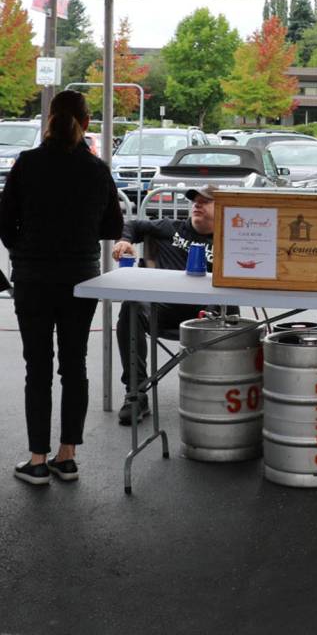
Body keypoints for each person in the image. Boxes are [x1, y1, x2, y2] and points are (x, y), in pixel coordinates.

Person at [0, 90, 123, 485]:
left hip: (32, 278)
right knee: (75, 365)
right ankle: (66, 456)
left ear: (49, 120)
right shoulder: (96, 169)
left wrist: (22, 248)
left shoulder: (27, 164)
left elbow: (4, 222)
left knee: (37, 367)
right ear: (86, 123)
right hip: (79, 278)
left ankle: (36, 459)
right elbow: (113, 228)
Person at [112, 184, 217, 424]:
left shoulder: (232, 239)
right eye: (195, 201)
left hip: (210, 314)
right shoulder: (173, 227)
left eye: (206, 201)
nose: (197, 205)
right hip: (165, 310)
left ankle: (226, 391)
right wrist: (124, 241)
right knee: (132, 306)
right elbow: (133, 225)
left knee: (231, 315)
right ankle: (135, 394)